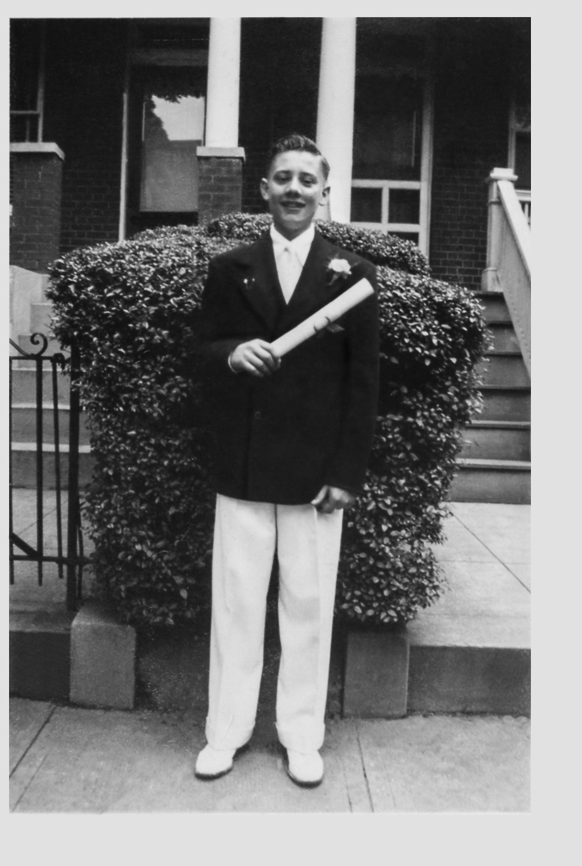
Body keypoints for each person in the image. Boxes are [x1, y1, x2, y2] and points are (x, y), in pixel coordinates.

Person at [196, 133, 379, 787]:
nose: (294, 189)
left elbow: (364, 384)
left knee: (308, 607)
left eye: (307, 179)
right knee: (237, 606)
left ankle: (302, 735)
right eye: (283, 178)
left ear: (325, 191)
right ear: (264, 189)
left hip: (315, 475)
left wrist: (347, 473)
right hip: (244, 465)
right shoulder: (231, 268)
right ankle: (226, 732)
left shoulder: (351, 275)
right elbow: (198, 349)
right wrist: (229, 354)